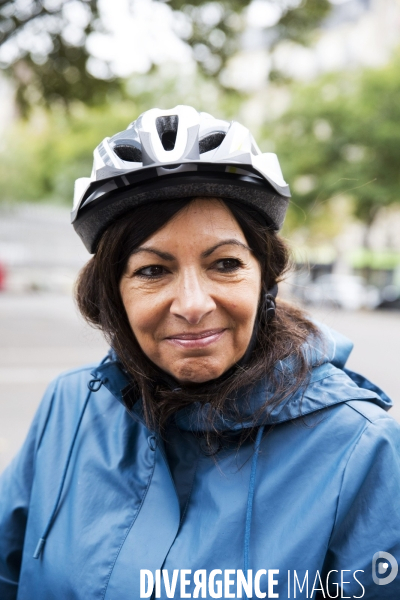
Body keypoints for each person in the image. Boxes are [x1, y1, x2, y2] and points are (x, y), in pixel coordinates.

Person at [0, 105, 399, 600]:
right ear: (113, 294)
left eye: (225, 263)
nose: (192, 305)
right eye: (152, 270)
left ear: (264, 281)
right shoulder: (69, 407)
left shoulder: (362, 450)